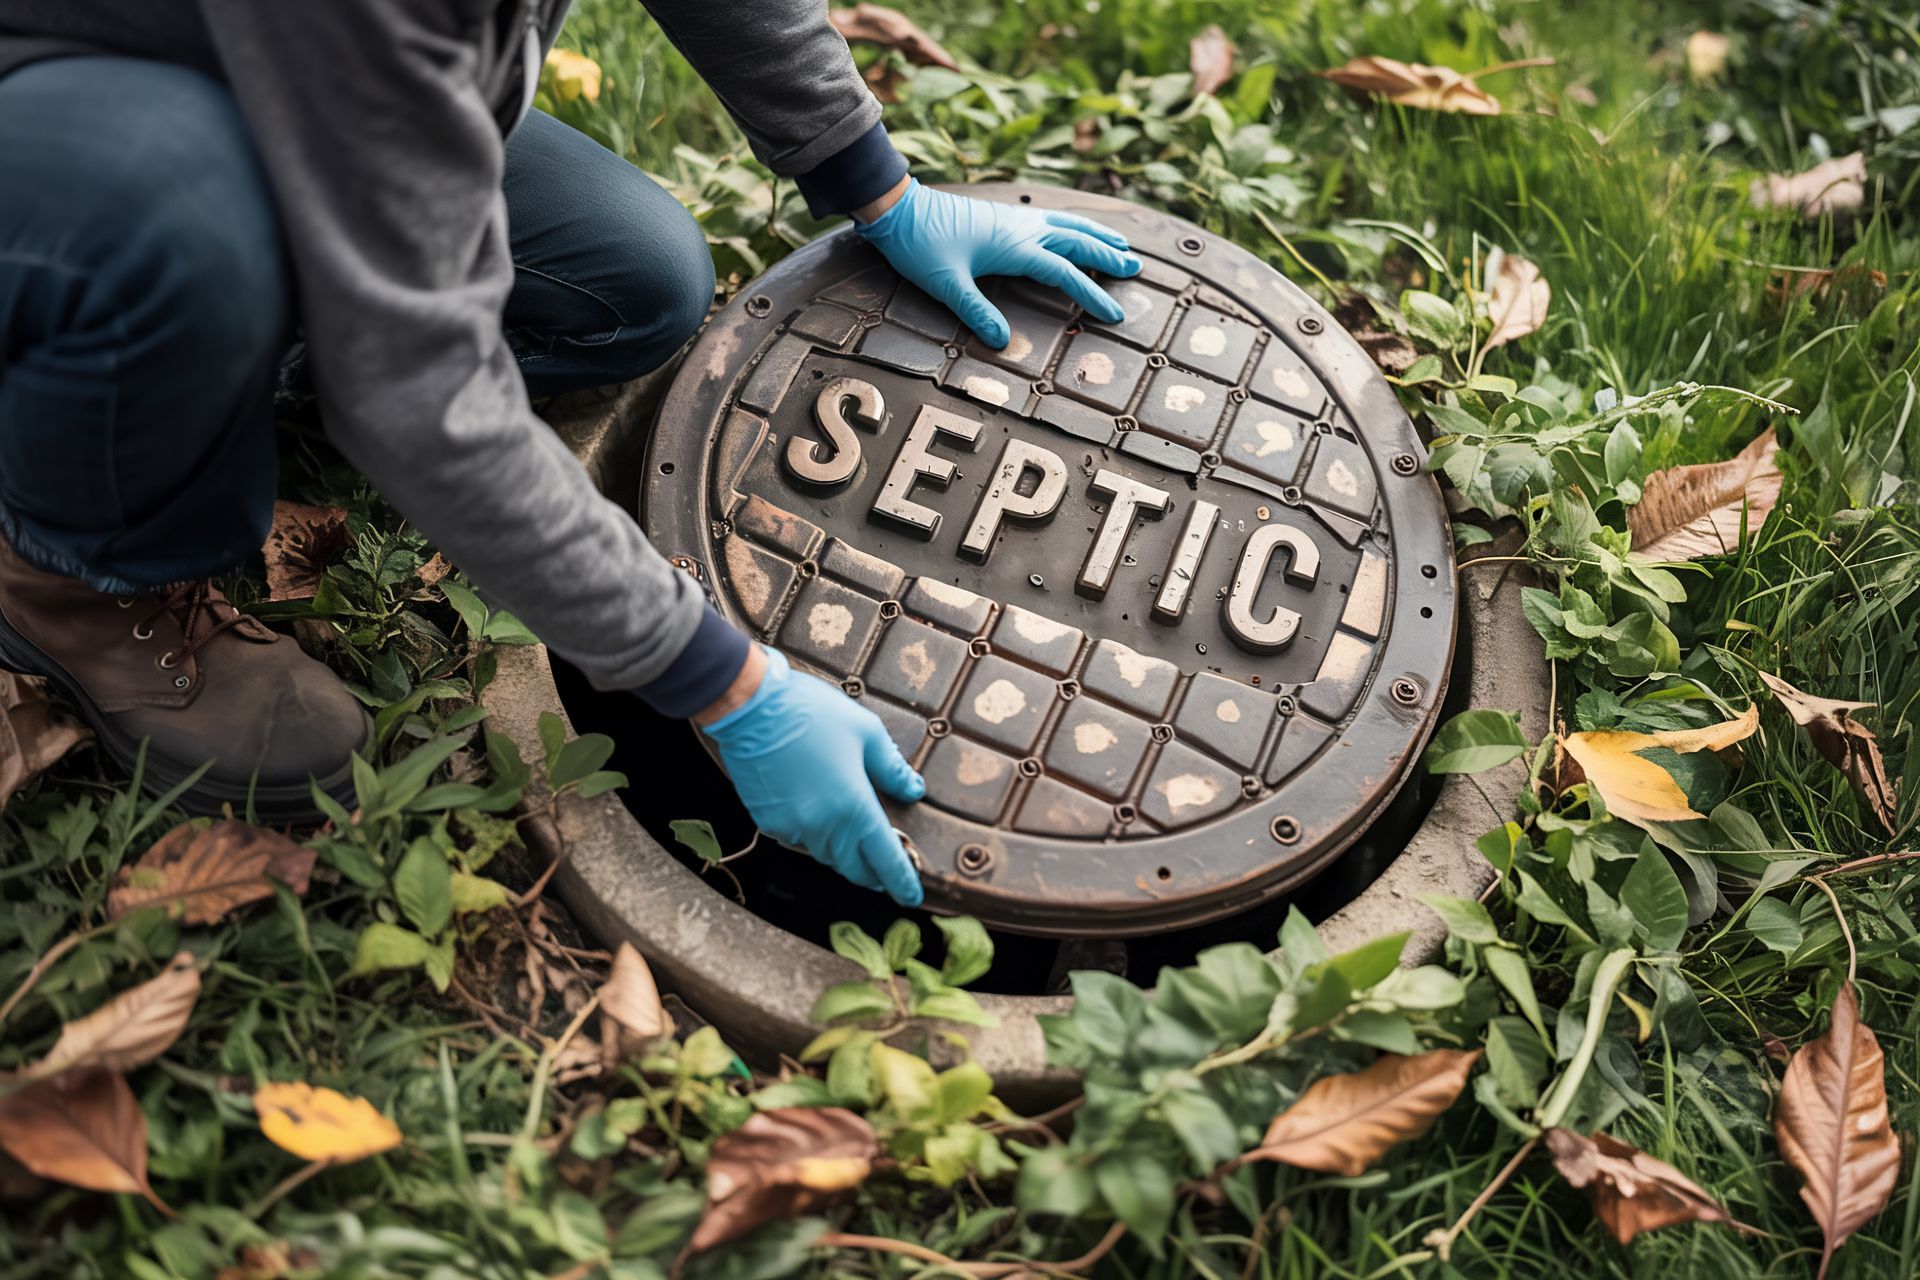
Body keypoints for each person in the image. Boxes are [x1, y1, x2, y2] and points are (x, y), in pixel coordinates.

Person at [0, 1, 1142, 907]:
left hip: (276, 56)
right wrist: (722, 683)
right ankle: (74, 570)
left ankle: (236, 349)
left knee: (634, 280)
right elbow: (418, 393)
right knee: (177, 231)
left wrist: (872, 182)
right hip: (66, 126)